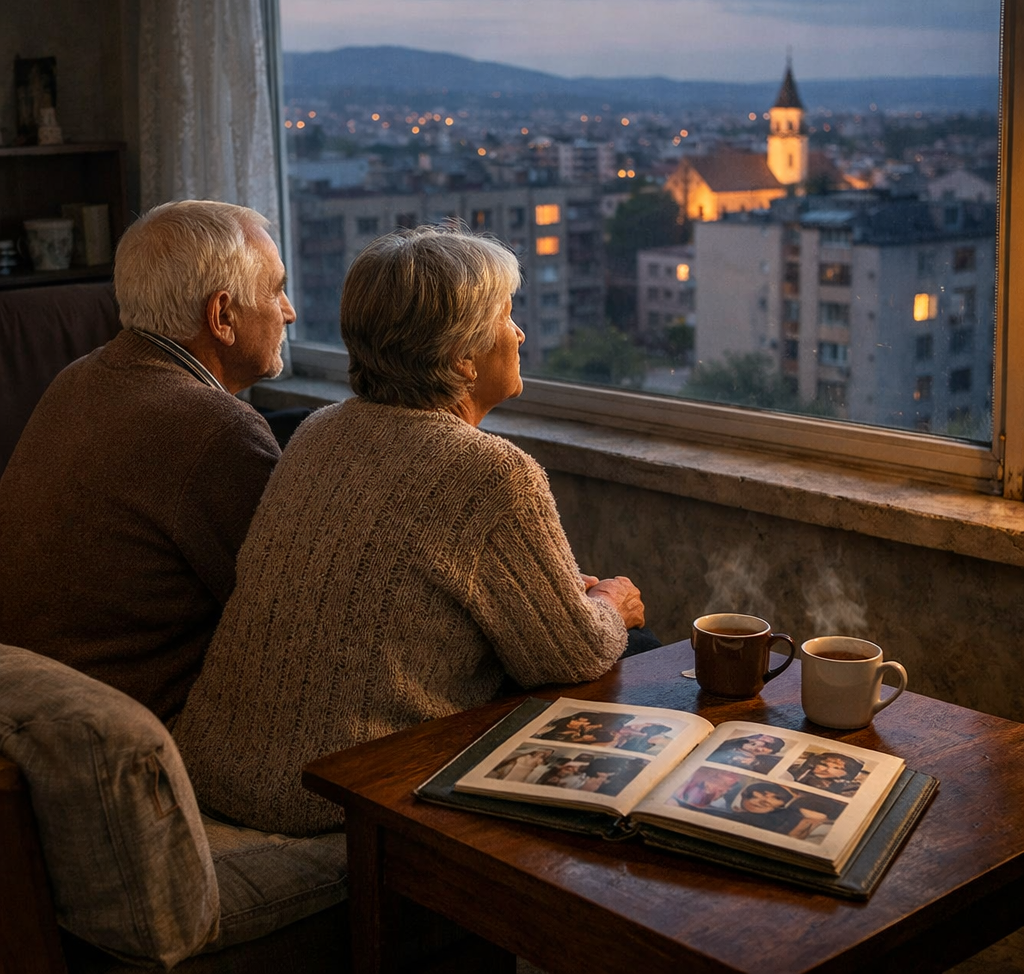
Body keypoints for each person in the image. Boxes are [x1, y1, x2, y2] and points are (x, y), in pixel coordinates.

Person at [174, 225, 646, 835]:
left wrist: (552, 600)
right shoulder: (491, 473)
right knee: (640, 650)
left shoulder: (319, 432)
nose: (521, 333)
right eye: (508, 316)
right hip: (333, 797)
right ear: (461, 358)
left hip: (216, 772)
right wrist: (610, 602)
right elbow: (573, 653)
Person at [0, 200, 294, 724]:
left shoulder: (79, 375)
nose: (288, 310)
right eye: (276, 290)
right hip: (134, 735)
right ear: (222, 316)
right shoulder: (216, 429)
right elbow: (285, 616)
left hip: (30, 710)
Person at [786, 751, 864, 797]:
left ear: (847, 774)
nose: (826, 769)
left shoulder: (850, 788)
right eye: (823, 765)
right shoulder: (794, 772)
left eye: (836, 768)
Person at [706, 734, 786, 774]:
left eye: (767, 745)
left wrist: (754, 762)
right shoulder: (728, 745)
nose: (759, 744)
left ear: (771, 752)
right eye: (754, 741)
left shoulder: (765, 762)